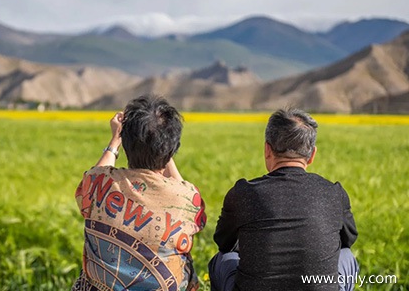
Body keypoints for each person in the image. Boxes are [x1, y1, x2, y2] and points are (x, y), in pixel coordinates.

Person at [208, 108, 359, 291]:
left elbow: (224, 242)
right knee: (347, 256)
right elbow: (348, 240)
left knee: (222, 259)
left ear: (267, 149)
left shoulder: (243, 193)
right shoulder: (334, 192)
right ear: (311, 155)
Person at [73, 95, 207, 291]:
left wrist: (114, 141)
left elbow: (95, 176)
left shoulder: (98, 183)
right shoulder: (187, 197)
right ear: (171, 149)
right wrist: (164, 152)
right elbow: (189, 203)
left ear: (127, 145)